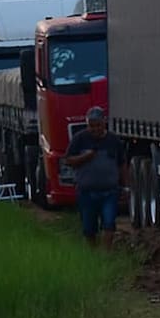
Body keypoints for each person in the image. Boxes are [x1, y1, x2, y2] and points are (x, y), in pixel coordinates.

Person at [65, 106, 126, 248]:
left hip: (110, 192)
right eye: (91, 126)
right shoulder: (80, 139)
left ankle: (106, 253)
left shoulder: (114, 140)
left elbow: (122, 164)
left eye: (98, 125)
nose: (95, 129)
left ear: (104, 123)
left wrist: (125, 186)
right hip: (86, 192)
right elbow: (68, 160)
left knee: (109, 224)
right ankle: (92, 254)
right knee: (89, 228)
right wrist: (86, 157)